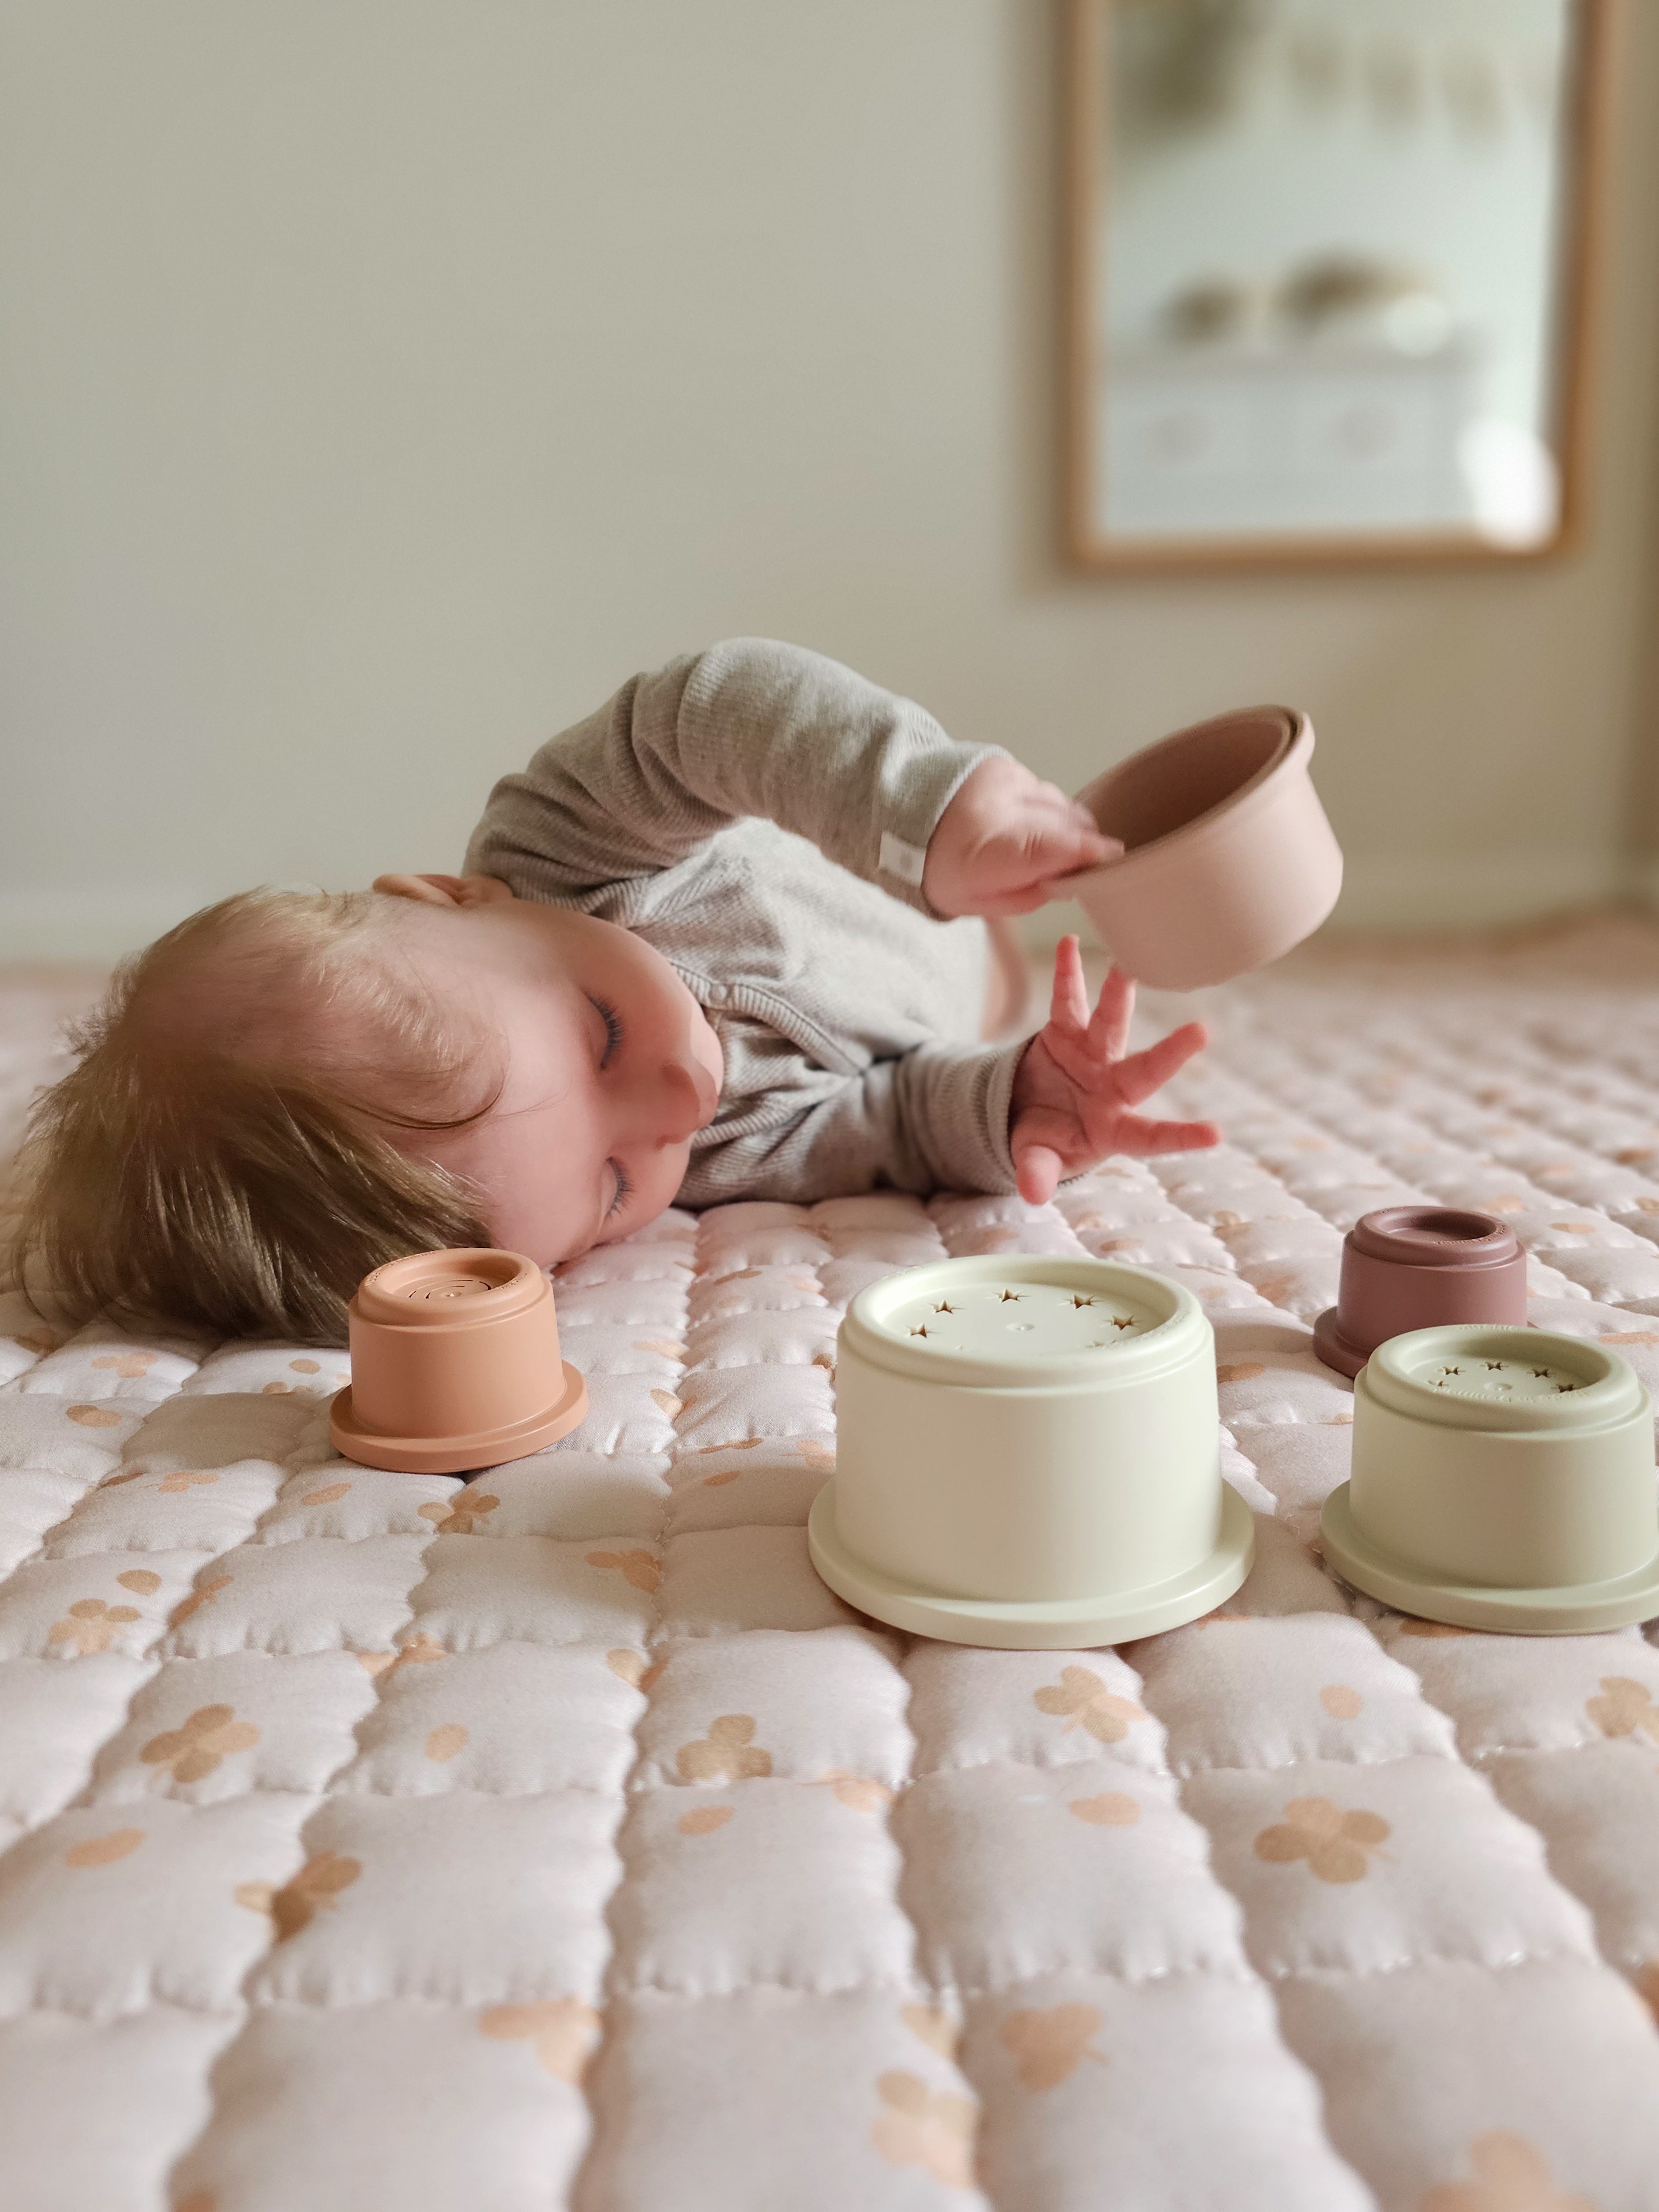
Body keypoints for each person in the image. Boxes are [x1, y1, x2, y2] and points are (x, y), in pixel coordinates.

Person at [10, 639, 1218, 1343]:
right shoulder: (705, 1157)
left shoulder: (566, 853)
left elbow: (702, 714)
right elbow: (886, 1122)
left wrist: (921, 812)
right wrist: (1016, 1102)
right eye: (605, 1188)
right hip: (972, 998)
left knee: (1077, 860)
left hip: (930, 872)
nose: (679, 1103)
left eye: (598, 1037)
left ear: (460, 896)